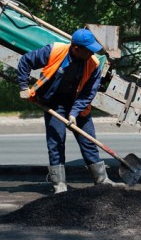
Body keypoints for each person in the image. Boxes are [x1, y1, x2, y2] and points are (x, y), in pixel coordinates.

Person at [17, 28, 122, 194]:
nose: (92, 53)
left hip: (78, 104)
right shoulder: (54, 51)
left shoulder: (93, 64)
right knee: (56, 143)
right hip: (54, 102)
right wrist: (23, 86)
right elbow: (25, 61)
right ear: (76, 49)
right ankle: (59, 185)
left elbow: (88, 93)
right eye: (89, 50)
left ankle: (102, 180)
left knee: (89, 141)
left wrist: (74, 113)